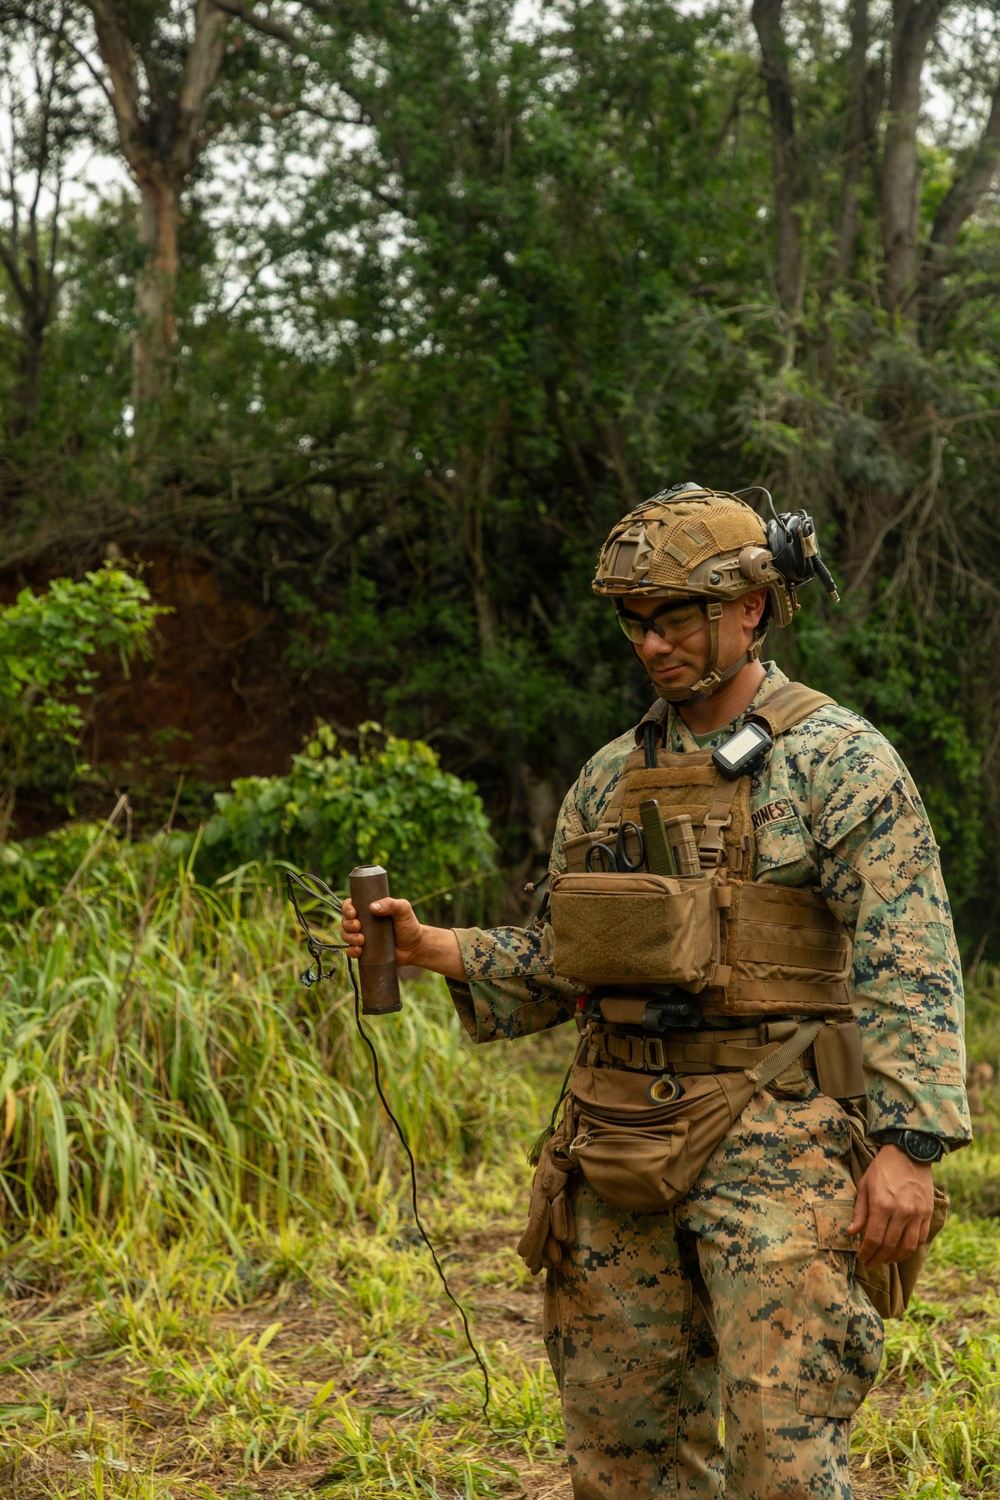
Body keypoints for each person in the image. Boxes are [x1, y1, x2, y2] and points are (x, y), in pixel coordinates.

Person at [341, 484, 971, 1499]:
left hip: (780, 1134)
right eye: (635, 622)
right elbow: (573, 961)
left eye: (676, 617)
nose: (652, 644)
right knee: (623, 1450)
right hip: (615, 1135)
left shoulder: (837, 762)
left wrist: (909, 1147)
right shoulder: (604, 781)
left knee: (784, 1454)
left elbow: (911, 958)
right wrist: (436, 948)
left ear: (752, 607)